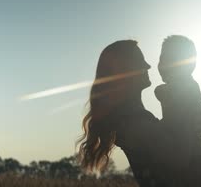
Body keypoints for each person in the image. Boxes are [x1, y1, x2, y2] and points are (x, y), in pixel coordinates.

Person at [77, 40, 190, 187]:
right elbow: (182, 160)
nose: (148, 66)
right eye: (141, 61)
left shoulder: (133, 119)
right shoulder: (133, 124)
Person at [155, 35, 201, 187]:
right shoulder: (188, 88)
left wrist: (175, 167)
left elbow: (183, 134)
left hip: (191, 165)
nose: (162, 64)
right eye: (162, 58)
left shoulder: (179, 91)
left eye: (169, 59)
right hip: (198, 163)